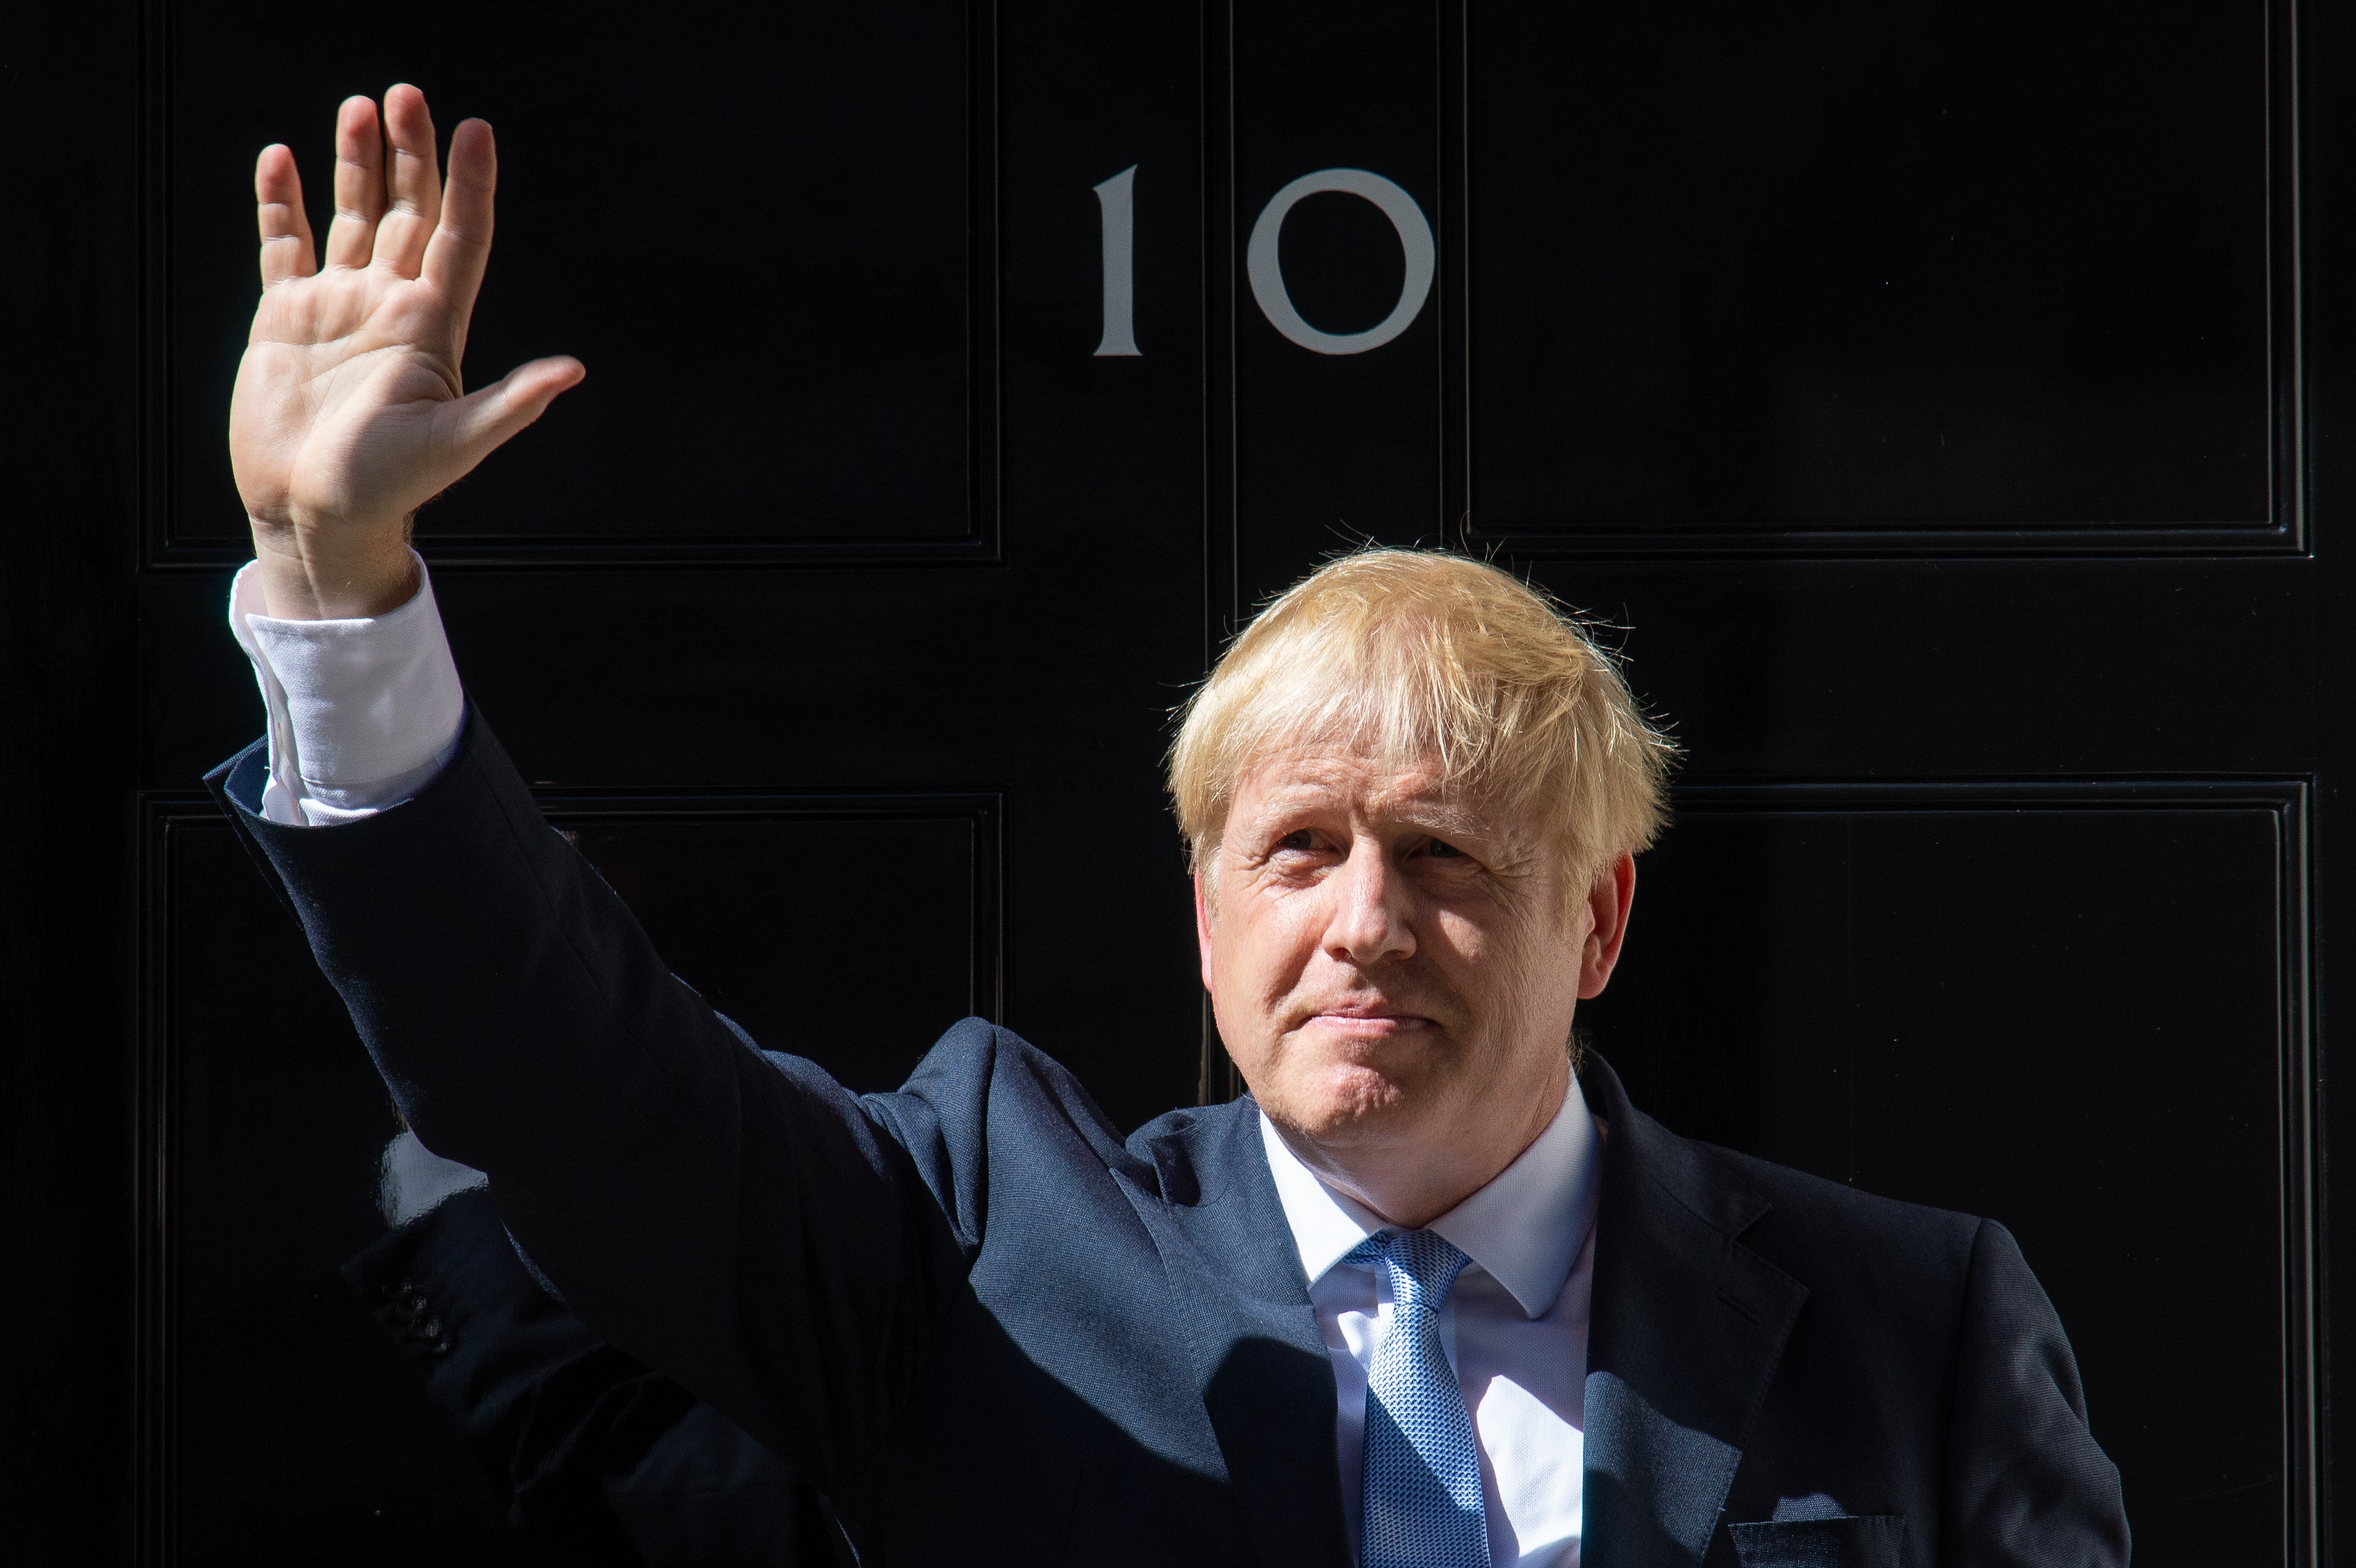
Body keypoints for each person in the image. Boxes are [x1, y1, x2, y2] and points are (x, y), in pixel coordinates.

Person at [211, 84, 2130, 1566]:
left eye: (1449, 857)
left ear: (1601, 924)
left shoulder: (1916, 1317)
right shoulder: (960, 1236)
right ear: (1206, 909)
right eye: (1297, 849)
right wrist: (338, 575)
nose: (1365, 920)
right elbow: (567, 1082)